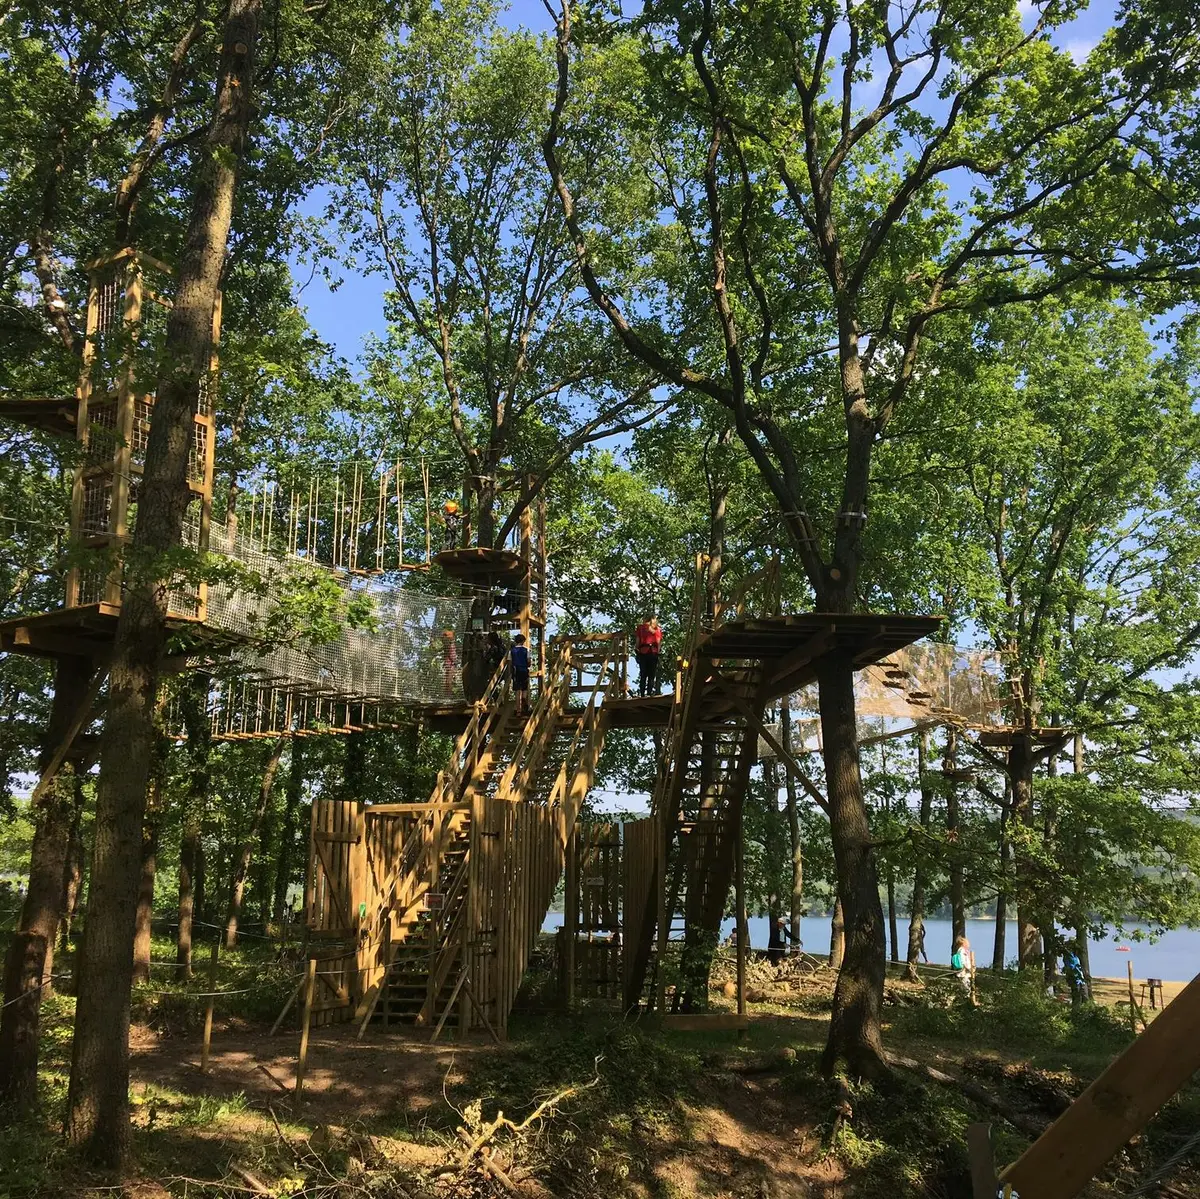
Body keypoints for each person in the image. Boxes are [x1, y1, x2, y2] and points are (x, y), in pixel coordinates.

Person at [634, 614, 664, 697]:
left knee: (643, 674)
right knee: (651, 674)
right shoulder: (657, 629)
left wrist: (637, 649)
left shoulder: (641, 628)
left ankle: (642, 694)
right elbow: (659, 643)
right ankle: (649, 693)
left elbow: (638, 640)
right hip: (653, 652)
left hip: (643, 652)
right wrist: (658, 652)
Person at [510, 633, 531, 716]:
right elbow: (529, 661)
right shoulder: (527, 650)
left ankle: (518, 711)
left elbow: (510, 661)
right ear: (523, 641)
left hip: (516, 670)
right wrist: (527, 664)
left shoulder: (512, 651)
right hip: (524, 670)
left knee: (517, 690)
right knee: (524, 687)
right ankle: (524, 698)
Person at [442, 629, 457, 695]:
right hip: (451, 665)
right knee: (449, 680)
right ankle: (448, 694)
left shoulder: (447, 645)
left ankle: (447, 693)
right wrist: (455, 661)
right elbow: (452, 655)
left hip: (447, 664)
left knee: (447, 680)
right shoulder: (451, 645)